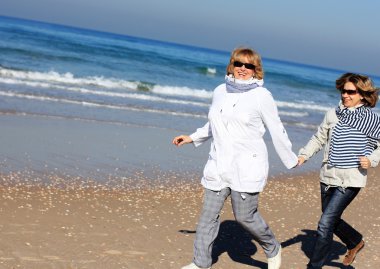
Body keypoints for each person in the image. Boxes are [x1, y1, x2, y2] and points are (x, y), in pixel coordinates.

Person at [172, 47, 298, 269]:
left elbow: (276, 129)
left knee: (245, 217)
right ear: (231, 65)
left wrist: (291, 159)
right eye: (238, 64)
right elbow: (214, 122)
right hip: (219, 164)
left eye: (248, 65)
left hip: (246, 166)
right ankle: (200, 263)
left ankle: (272, 247)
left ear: (256, 70)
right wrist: (192, 137)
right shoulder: (220, 90)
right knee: (207, 217)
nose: (242, 69)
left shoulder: (262, 96)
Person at [297, 73, 380, 268]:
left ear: (362, 94)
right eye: (343, 91)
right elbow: (319, 138)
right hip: (328, 175)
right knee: (330, 217)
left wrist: (372, 160)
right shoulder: (332, 114)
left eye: (351, 92)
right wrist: (303, 155)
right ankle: (355, 241)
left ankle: (314, 266)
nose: (345, 95)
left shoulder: (372, 119)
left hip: (351, 178)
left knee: (325, 223)